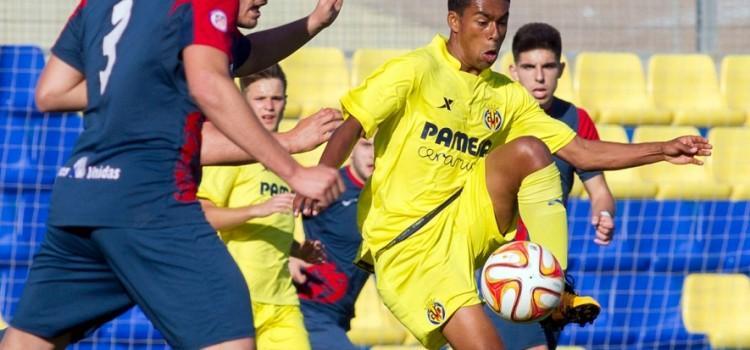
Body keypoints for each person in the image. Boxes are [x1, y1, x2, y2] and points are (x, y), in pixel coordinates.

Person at [294, 0, 712, 349]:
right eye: (483, 21)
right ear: (455, 22)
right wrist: (322, 172)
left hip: (467, 222)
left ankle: (556, 288)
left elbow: (579, 151)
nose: (495, 33)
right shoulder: (414, 70)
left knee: (532, 150)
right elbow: (353, 122)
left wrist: (661, 149)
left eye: (502, 22)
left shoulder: (506, 95)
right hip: (410, 247)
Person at [1, 0, 344, 348]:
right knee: (231, 341)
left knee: (26, 343)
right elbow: (208, 83)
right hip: (151, 204)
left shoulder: (101, 4)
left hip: (81, 201)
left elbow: (51, 92)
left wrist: (312, 23)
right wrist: (293, 169)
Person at [482, 22, 616, 350]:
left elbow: (599, 191)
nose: (539, 77)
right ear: (513, 70)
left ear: (561, 69)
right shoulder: (493, 117)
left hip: (548, 272)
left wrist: (605, 214)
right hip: (500, 263)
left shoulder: (576, 120)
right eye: (529, 67)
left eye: (547, 66)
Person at [198, 64, 338, 350]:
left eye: (277, 98)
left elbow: (268, 230)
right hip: (234, 301)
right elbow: (201, 216)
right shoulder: (229, 156)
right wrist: (255, 210)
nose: (270, 107)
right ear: (242, 103)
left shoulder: (286, 162)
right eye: (260, 99)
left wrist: (299, 250)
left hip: (281, 303)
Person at [294, 137, 374, 350]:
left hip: (338, 315)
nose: (374, 154)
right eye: (367, 145)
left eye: (381, 145)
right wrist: (290, 255)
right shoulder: (328, 186)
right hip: (309, 309)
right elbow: (270, 220)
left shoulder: (391, 196)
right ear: (352, 148)